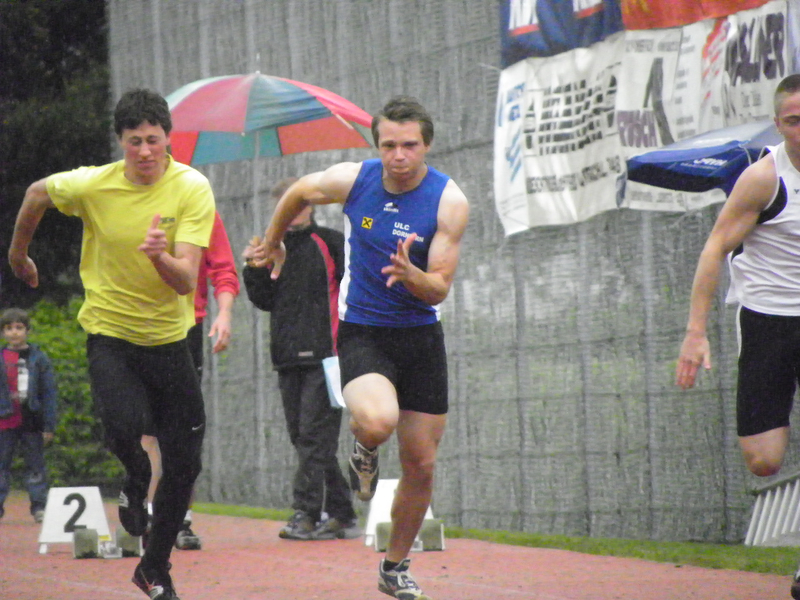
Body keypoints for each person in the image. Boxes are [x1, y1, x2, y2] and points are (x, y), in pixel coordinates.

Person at [254, 96, 469, 600]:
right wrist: (274, 239)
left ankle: (394, 567)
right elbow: (299, 190)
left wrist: (413, 275)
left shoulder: (448, 201)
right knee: (376, 421)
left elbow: (439, 288)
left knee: (421, 464)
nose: (398, 155)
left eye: (409, 145)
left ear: (426, 145)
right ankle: (364, 448)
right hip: (363, 332)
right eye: (388, 145)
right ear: (376, 146)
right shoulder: (355, 180)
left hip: (421, 337)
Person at [8, 88, 215, 600]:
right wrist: (18, 255)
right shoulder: (94, 185)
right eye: (134, 141)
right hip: (112, 336)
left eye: (153, 140)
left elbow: (187, 281)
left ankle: (154, 568)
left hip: (170, 341)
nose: (145, 152)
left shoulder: (192, 187)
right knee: (124, 426)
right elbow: (36, 193)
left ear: (168, 138)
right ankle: (135, 475)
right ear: (120, 142)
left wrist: (159, 257)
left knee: (186, 463)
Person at [675, 73, 800, 600]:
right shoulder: (764, 179)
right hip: (769, 320)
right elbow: (714, 248)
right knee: (764, 460)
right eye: (793, 120)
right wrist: (695, 332)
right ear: (778, 125)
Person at [242, 177, 357, 541]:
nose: (293, 212)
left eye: (299, 204)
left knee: (312, 438)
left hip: (328, 357)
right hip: (287, 357)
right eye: (285, 207)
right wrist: (254, 268)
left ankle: (305, 513)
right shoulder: (269, 248)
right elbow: (264, 299)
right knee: (304, 439)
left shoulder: (331, 243)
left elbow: (354, 291)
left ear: (311, 206)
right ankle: (341, 512)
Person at [140, 210, 240, 550]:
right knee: (141, 429)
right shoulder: (123, 200)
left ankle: (177, 519)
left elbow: (223, 269)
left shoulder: (200, 209)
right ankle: (146, 510)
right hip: (130, 326)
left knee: (181, 430)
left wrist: (224, 313)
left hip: (186, 328)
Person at [0, 308, 58, 523]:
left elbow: (49, 392)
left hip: (32, 420)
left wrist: (49, 425)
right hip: (4, 420)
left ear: (27, 330)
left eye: (19, 327)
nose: (14, 332)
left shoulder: (39, 358)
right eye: (9, 328)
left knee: (35, 465)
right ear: (3, 332)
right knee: (1, 465)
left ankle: (39, 506)